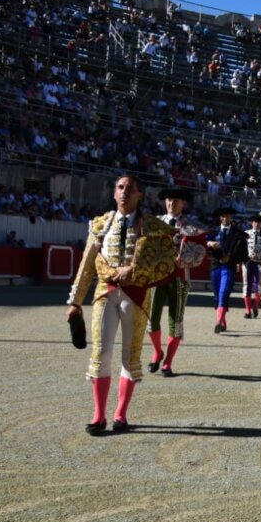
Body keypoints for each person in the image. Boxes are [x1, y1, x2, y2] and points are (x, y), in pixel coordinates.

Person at [66, 175, 176, 435]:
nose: (124, 192)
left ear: (140, 195)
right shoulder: (101, 224)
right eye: (120, 188)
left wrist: (135, 269)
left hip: (136, 296)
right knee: (102, 353)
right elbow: (86, 264)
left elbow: (166, 263)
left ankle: (121, 414)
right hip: (105, 292)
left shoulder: (153, 226)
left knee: (130, 356)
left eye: (130, 189)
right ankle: (98, 415)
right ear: (114, 193)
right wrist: (75, 302)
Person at [147, 188, 204, 378]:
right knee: (151, 319)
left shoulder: (191, 226)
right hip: (156, 277)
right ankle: (157, 352)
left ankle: (167, 363)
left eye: (176, 201)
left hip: (179, 277)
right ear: (165, 202)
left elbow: (199, 253)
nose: (172, 204)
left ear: (183, 204)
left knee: (176, 321)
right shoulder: (155, 223)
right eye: (169, 200)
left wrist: (184, 259)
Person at [206, 207, 246, 333]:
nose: (225, 218)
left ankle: (218, 321)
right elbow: (204, 241)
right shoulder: (213, 230)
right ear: (220, 218)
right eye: (223, 216)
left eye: (228, 216)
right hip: (215, 265)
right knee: (217, 295)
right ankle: (222, 321)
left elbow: (243, 252)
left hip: (229, 266)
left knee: (224, 293)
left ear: (231, 217)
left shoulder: (238, 233)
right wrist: (209, 243)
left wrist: (233, 259)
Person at [242, 214, 261, 316]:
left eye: (259, 222)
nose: (257, 224)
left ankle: (255, 306)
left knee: (258, 286)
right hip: (247, 262)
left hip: (260, 262)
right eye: (255, 222)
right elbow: (241, 248)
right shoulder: (245, 234)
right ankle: (247, 310)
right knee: (247, 285)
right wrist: (247, 256)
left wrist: (260, 256)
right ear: (252, 223)